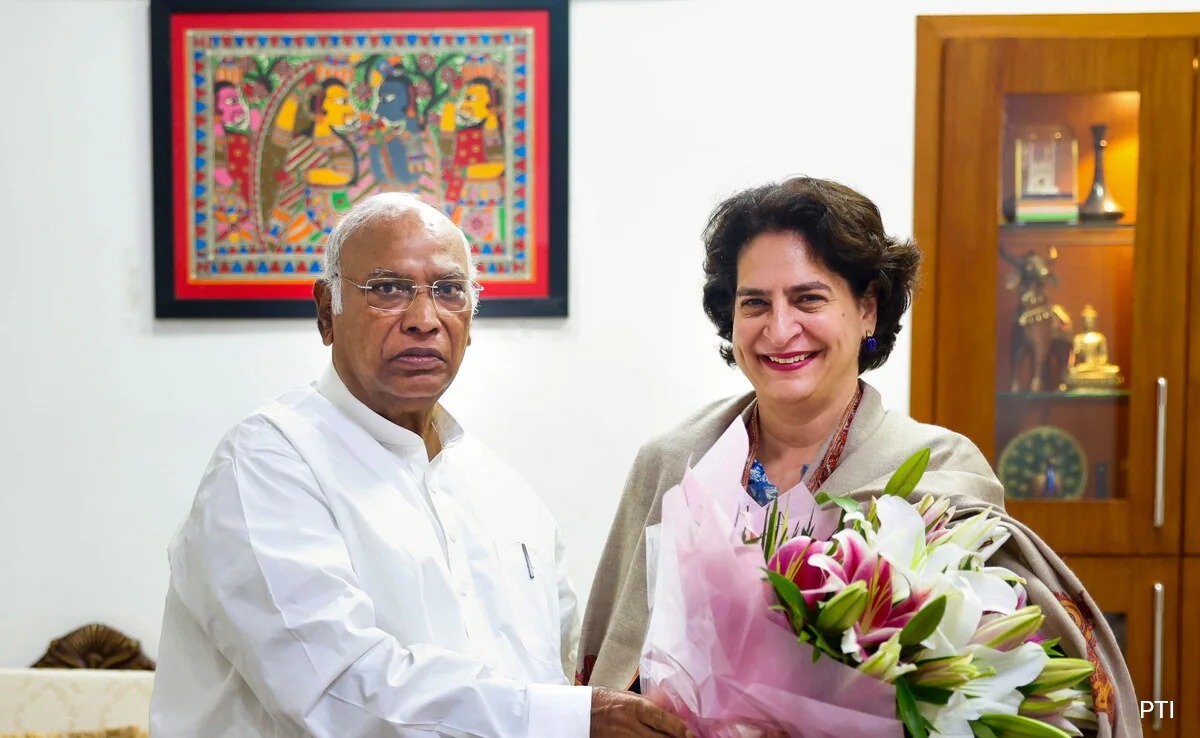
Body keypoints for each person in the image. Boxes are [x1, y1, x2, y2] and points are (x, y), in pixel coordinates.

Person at [576, 177, 1140, 737]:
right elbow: (607, 670)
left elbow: (1009, 677)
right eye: (754, 303)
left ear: (867, 309)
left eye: (808, 299)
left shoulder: (938, 469)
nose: (779, 328)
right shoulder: (673, 463)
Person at [150, 193, 693, 738]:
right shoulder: (269, 463)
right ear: (325, 312)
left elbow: (554, 672)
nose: (424, 319)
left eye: (449, 291)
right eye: (387, 289)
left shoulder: (505, 495)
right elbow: (336, 693)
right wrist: (572, 718)